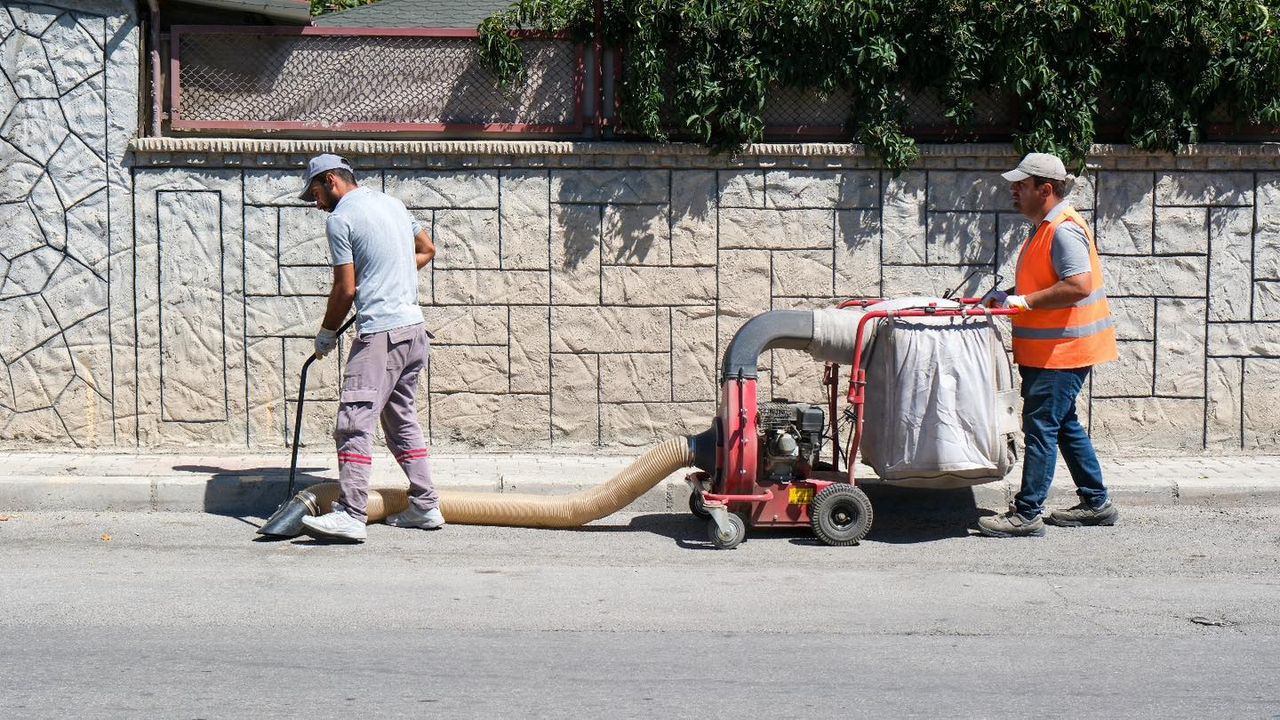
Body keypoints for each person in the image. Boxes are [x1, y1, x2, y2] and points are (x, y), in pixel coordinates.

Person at [296, 154, 443, 543]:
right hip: (413, 331)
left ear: (331, 181)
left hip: (380, 334)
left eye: (315, 193)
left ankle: (350, 513)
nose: (316, 204)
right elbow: (427, 249)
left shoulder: (341, 218)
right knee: (400, 420)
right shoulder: (392, 204)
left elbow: (345, 288)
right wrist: (386, 273)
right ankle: (425, 506)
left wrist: (326, 334)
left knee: (353, 423)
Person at [978, 152, 1120, 538]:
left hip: (1063, 352)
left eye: (1021, 185)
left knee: (1041, 426)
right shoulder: (1044, 227)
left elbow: (1078, 285)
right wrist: (1006, 294)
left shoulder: (1063, 228)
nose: (1014, 190)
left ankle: (1027, 514)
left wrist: (1023, 302)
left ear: (1046, 189)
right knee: (1063, 425)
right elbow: (1042, 283)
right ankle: (1096, 502)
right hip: (1052, 351)